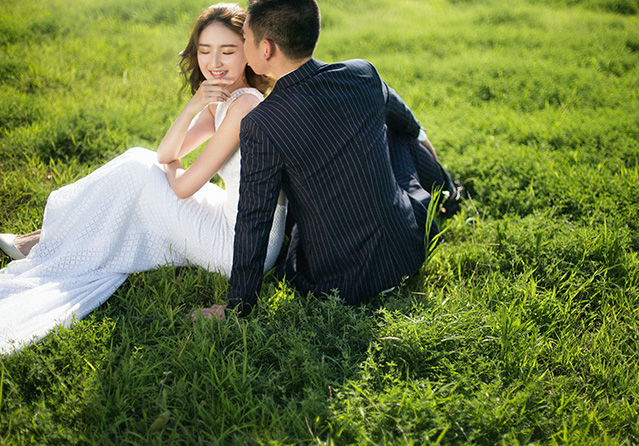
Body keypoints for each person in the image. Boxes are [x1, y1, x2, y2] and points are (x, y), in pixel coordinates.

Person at [0, 3, 287, 353]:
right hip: (234, 218)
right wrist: (193, 106)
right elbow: (167, 154)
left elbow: (180, 185)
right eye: (204, 51)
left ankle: (42, 242)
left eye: (228, 51)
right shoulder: (221, 100)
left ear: (249, 52)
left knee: (139, 169)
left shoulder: (245, 105)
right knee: (140, 167)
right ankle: (44, 240)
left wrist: (166, 171)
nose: (214, 63)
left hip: (239, 247)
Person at [193, 0, 461, 320]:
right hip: (405, 252)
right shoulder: (362, 73)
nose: (244, 46)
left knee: (399, 133)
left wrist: (238, 305)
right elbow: (393, 104)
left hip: (337, 280)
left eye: (246, 39)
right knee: (401, 135)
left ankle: (448, 191)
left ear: (265, 48)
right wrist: (419, 133)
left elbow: (255, 218)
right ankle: (449, 193)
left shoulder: (261, 123)